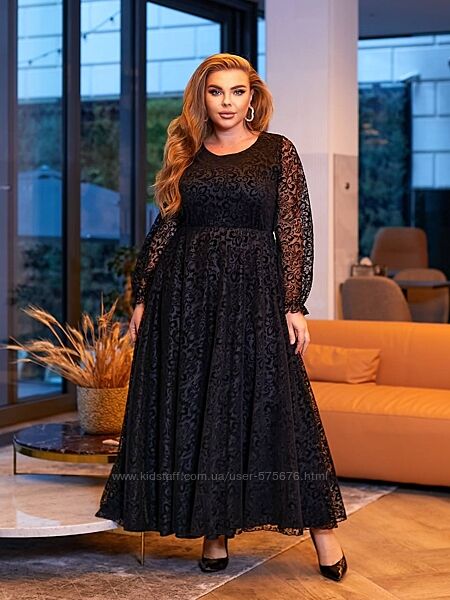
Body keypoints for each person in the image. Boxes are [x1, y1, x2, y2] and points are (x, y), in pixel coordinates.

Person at [95, 52, 348, 581]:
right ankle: (214, 533)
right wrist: (143, 293)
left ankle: (325, 535)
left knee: (282, 406)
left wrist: (294, 303)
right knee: (204, 405)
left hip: (255, 294)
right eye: (216, 92)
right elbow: (165, 227)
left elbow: (294, 229)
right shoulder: (188, 152)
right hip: (186, 296)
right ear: (202, 98)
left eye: (237, 91)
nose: (227, 102)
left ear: (252, 97)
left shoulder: (278, 151)